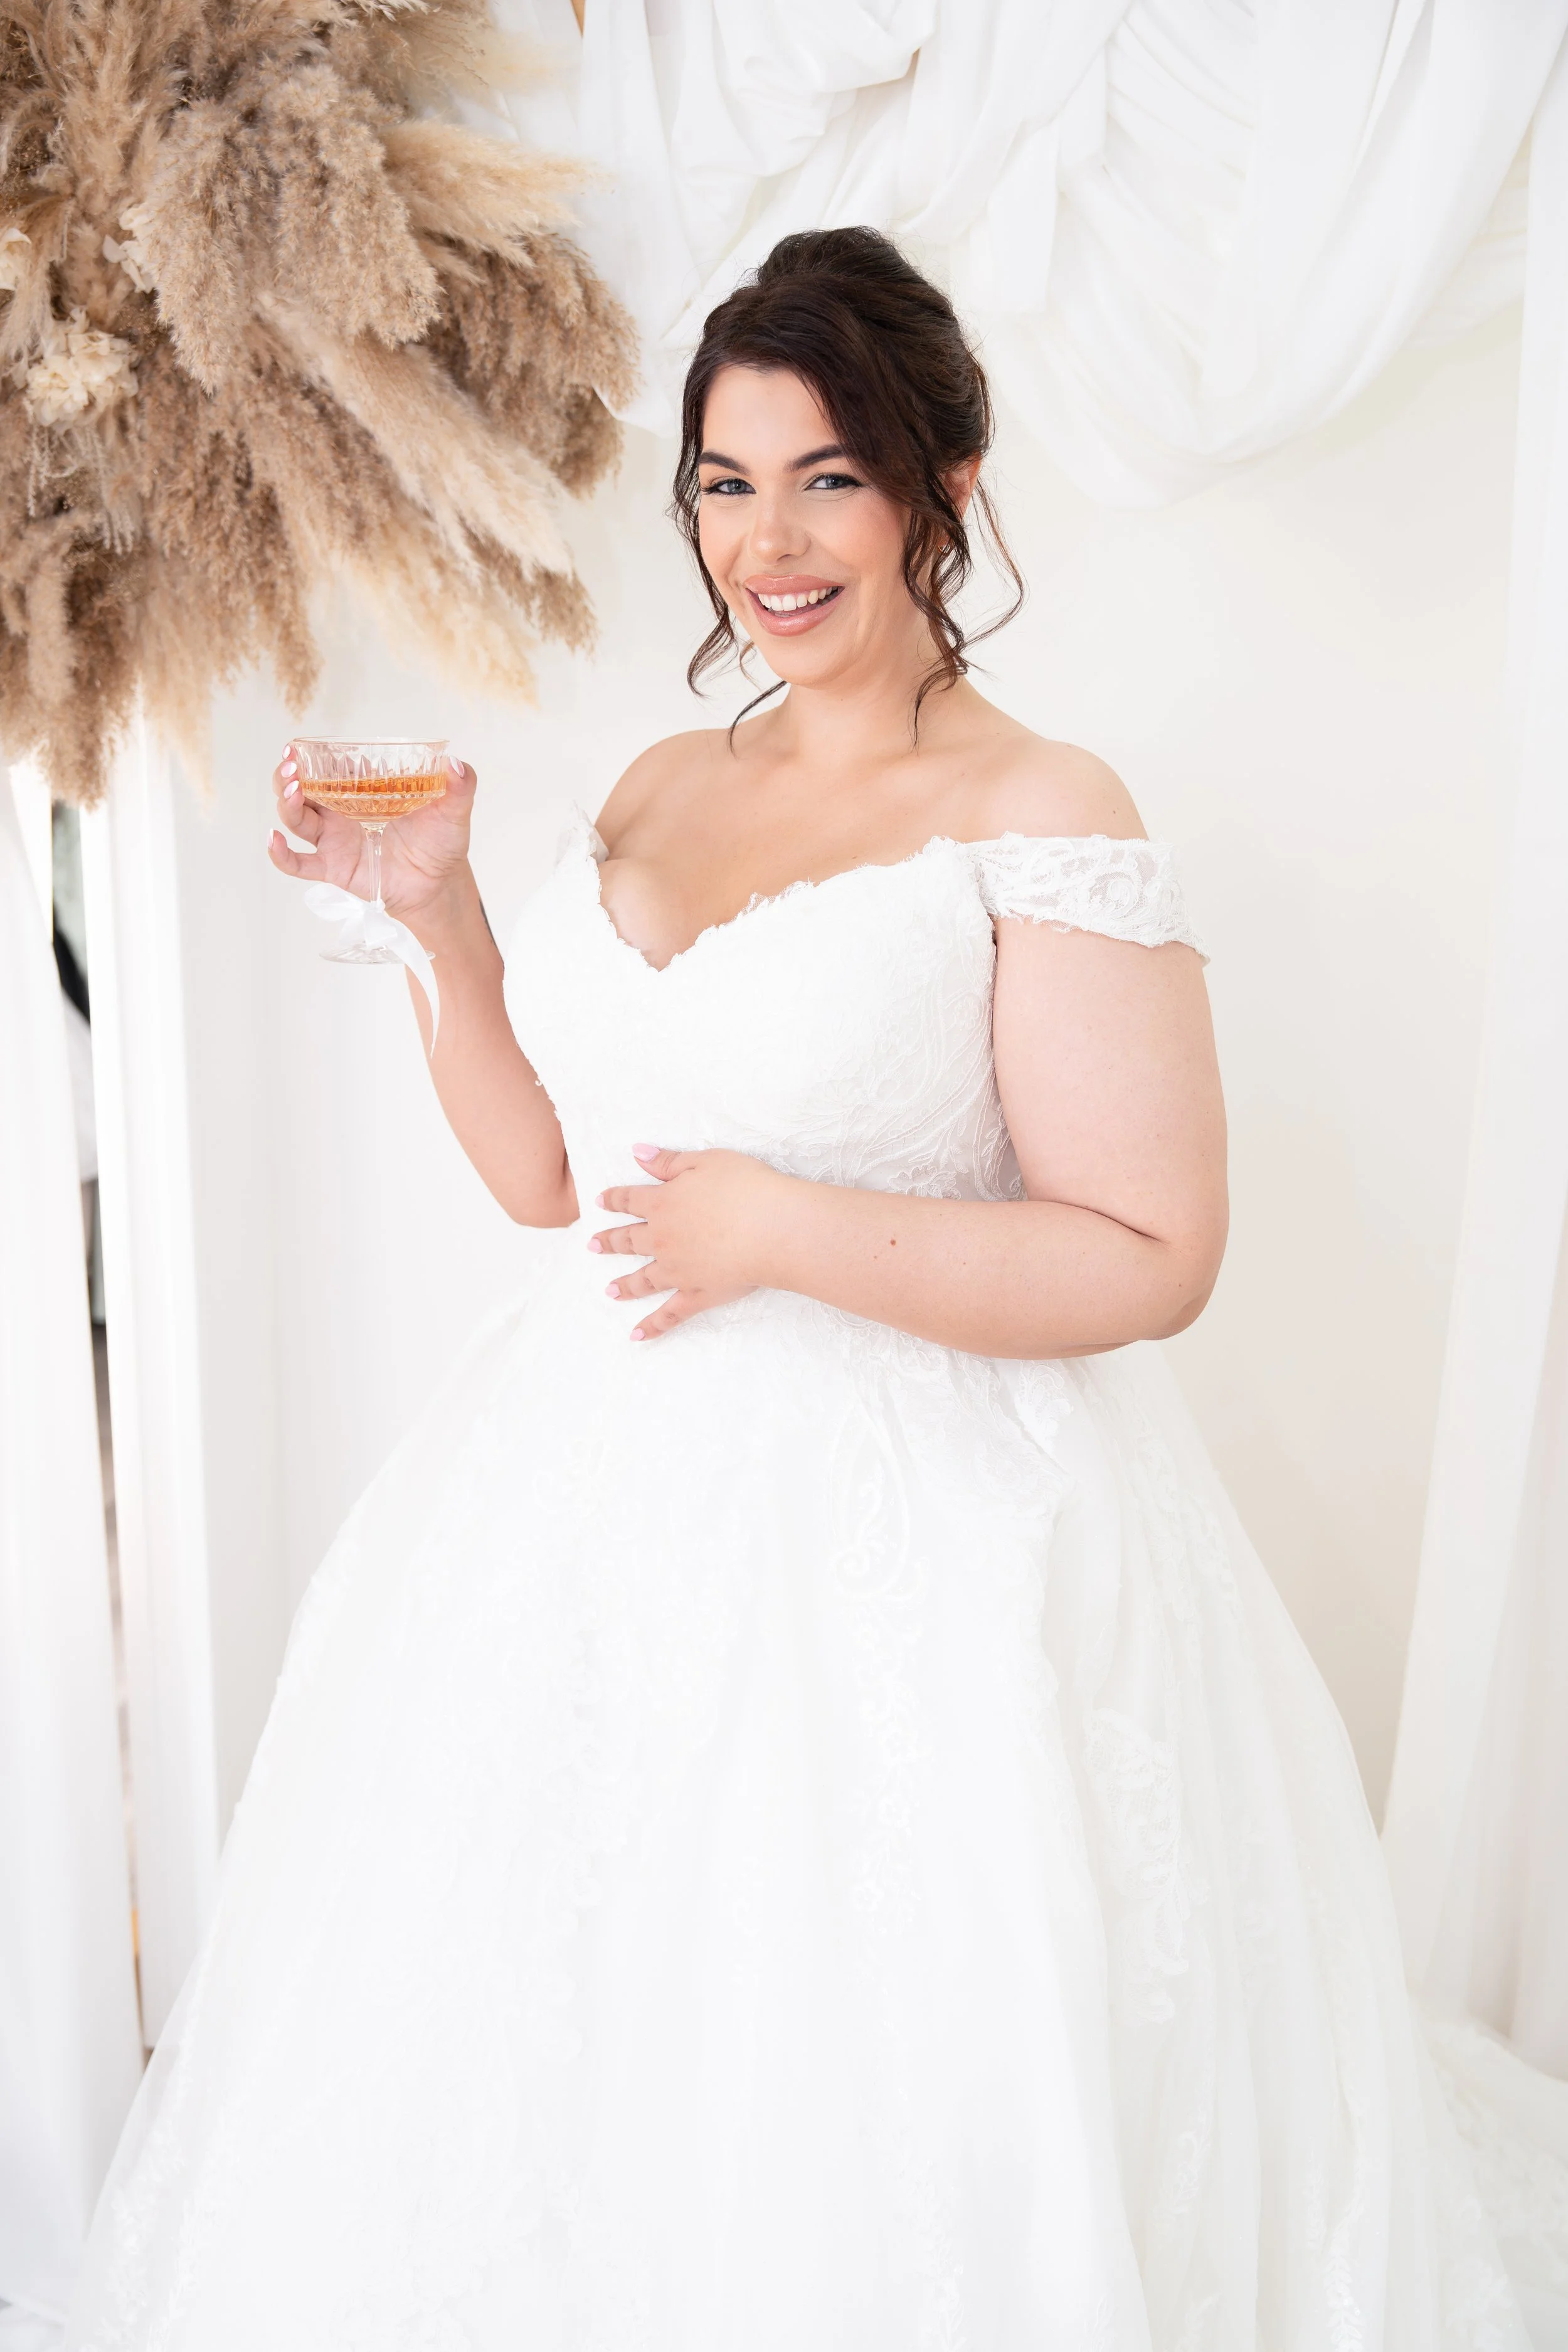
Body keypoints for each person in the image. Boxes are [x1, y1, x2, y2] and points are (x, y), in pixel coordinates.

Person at [67, 228, 1523, 2350]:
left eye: (827, 475)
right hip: (576, 1509)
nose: (769, 538)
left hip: (915, 1542)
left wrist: (783, 1229)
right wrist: (444, 922)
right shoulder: (665, 783)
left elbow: (1153, 1247)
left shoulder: (1039, 812)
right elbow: (551, 1175)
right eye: (727, 484)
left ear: (939, 483)